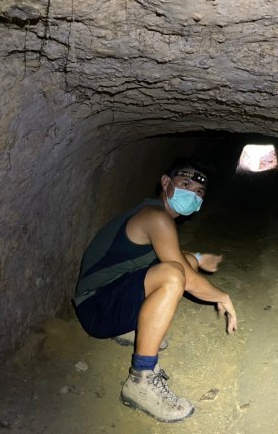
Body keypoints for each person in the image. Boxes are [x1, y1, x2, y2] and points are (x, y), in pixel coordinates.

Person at [72, 157, 238, 423]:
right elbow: (181, 274)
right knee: (173, 276)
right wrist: (221, 296)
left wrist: (197, 256)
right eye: (185, 184)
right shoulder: (156, 218)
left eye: (199, 192)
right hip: (95, 309)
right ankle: (141, 380)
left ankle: (135, 327)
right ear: (165, 182)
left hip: (105, 300)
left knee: (179, 264)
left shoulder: (153, 214)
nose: (192, 194)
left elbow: (175, 256)